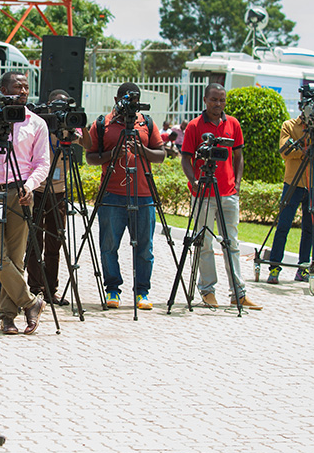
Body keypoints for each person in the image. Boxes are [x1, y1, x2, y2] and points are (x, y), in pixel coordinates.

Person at [0, 71, 50, 335]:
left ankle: (7, 316)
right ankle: (31, 302)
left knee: (16, 256)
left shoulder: (36, 123)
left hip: (21, 192)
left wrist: (29, 186)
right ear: (2, 89)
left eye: (26, 87)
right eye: (17, 86)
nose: (23, 91)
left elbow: (42, 163)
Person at [85, 82, 165, 311]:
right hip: (112, 195)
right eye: (126, 98)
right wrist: (111, 154)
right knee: (109, 245)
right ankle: (112, 289)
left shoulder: (146, 122)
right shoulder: (102, 123)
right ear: (116, 97)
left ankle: (142, 292)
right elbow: (90, 157)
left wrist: (143, 151)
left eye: (135, 98)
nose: (131, 103)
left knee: (144, 248)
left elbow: (161, 155)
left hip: (144, 195)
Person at [181, 83, 261, 310]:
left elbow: (239, 156)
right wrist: (194, 182)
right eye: (214, 99)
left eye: (222, 100)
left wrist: (237, 182)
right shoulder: (195, 126)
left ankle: (238, 293)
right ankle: (207, 292)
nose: (218, 104)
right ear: (205, 100)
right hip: (203, 193)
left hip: (228, 194)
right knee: (205, 243)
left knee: (232, 244)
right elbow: (185, 158)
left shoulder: (233, 124)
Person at [26, 89, 83, 307]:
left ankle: (51, 289)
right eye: (55, 105)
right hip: (37, 190)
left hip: (59, 192)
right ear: (48, 104)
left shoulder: (69, 127)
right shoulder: (38, 124)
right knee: (34, 240)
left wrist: (79, 124)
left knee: (55, 241)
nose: (58, 109)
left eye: (63, 105)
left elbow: (87, 145)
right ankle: (35, 288)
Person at [266, 110, 314, 284]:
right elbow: (285, 151)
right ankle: (274, 267)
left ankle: (303, 269)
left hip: (313, 183)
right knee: (283, 225)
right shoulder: (288, 126)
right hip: (293, 182)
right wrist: (304, 152)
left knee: (309, 228)